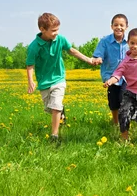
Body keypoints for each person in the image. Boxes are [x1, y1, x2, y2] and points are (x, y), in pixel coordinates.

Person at [26, 13, 98, 146]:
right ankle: (61, 114)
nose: (56, 33)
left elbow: (72, 51)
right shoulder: (34, 46)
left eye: (58, 30)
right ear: (42, 29)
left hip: (59, 78)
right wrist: (31, 81)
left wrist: (88, 59)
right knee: (50, 108)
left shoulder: (60, 39)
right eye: (53, 31)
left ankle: (54, 135)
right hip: (44, 81)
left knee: (56, 106)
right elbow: (30, 64)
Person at [91, 14, 129, 126]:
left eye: (122, 25)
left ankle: (124, 122)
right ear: (111, 26)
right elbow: (98, 55)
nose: (119, 27)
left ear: (126, 26)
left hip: (126, 77)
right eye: (116, 25)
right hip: (110, 76)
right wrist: (98, 59)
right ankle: (115, 121)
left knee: (124, 98)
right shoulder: (105, 41)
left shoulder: (129, 41)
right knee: (113, 101)